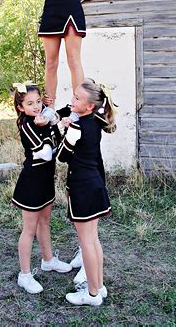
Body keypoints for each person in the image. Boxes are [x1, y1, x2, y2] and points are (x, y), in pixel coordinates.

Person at [56, 78, 117, 306]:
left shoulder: (76, 126)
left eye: (77, 98)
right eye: (73, 96)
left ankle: (91, 294)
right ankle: (98, 287)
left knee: (87, 243)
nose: (72, 101)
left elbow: (62, 156)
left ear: (89, 106)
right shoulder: (94, 122)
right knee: (93, 240)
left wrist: (63, 127)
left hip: (82, 188)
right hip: (95, 185)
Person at [12, 82, 72, 294]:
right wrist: (46, 123)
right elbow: (47, 152)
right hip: (31, 183)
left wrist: (52, 116)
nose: (36, 106)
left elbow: (57, 134)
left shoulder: (42, 119)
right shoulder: (28, 125)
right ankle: (25, 275)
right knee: (29, 230)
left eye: (38, 102)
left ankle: (48, 260)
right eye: (30, 103)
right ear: (21, 107)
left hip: (46, 178)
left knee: (45, 221)